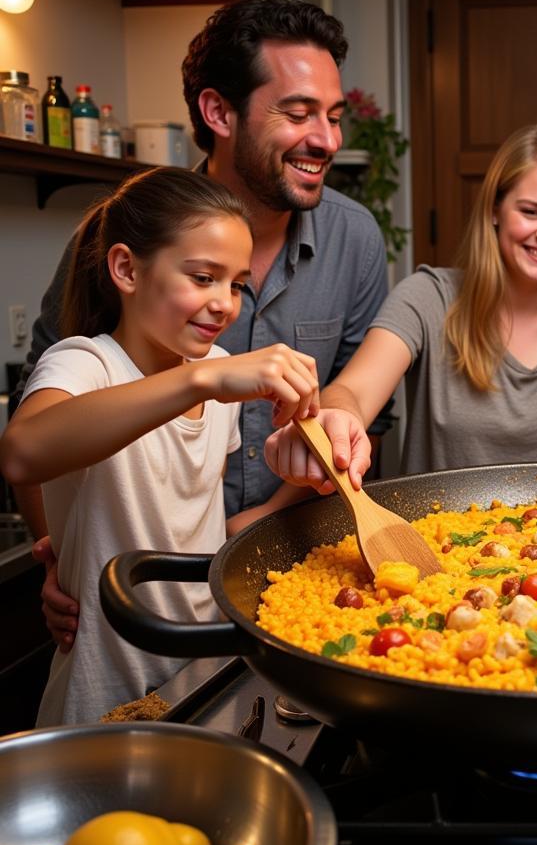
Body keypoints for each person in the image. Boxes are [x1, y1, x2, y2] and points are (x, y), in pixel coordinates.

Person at [16, 0, 391, 652]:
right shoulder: (126, 231)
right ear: (219, 112)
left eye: (333, 118)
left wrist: (281, 495)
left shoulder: (354, 238)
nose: (328, 140)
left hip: (280, 568)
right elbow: (36, 440)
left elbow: (352, 415)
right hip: (122, 604)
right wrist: (60, 555)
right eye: (298, 112)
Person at [0, 168, 319, 725]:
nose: (224, 303)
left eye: (237, 284)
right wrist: (198, 381)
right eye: (202, 277)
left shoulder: (216, 371)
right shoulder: (86, 362)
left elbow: (186, 515)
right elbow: (23, 453)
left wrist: (301, 457)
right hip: (103, 693)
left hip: (202, 678)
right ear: (126, 268)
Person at [264, 124, 537, 485]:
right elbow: (354, 392)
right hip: (430, 542)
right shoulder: (427, 297)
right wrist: (338, 418)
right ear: (494, 210)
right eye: (531, 212)